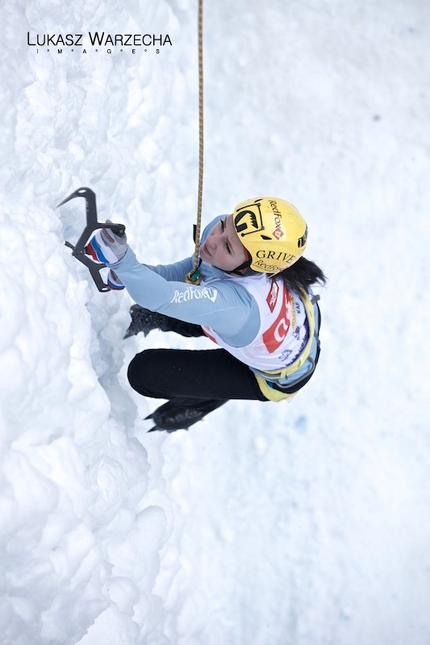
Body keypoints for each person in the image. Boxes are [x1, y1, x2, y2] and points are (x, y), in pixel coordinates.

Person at [86, 197, 326, 432]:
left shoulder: (238, 307)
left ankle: (210, 394)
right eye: (224, 226)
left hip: (279, 374)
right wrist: (136, 274)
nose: (212, 240)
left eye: (228, 247)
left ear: (251, 267)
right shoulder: (234, 243)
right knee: (197, 303)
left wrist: (124, 264)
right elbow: (188, 272)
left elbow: (165, 296)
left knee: (144, 373)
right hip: (287, 318)